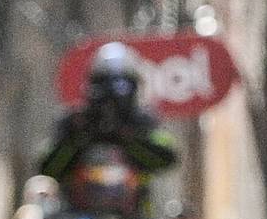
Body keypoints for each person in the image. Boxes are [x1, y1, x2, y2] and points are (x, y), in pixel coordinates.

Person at [39, 43, 179, 192]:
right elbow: (48, 168)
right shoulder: (76, 122)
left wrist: (129, 138)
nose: (113, 97)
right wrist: (76, 139)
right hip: (77, 210)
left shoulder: (143, 122)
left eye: (123, 86)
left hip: (133, 210)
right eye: (104, 85)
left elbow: (167, 159)